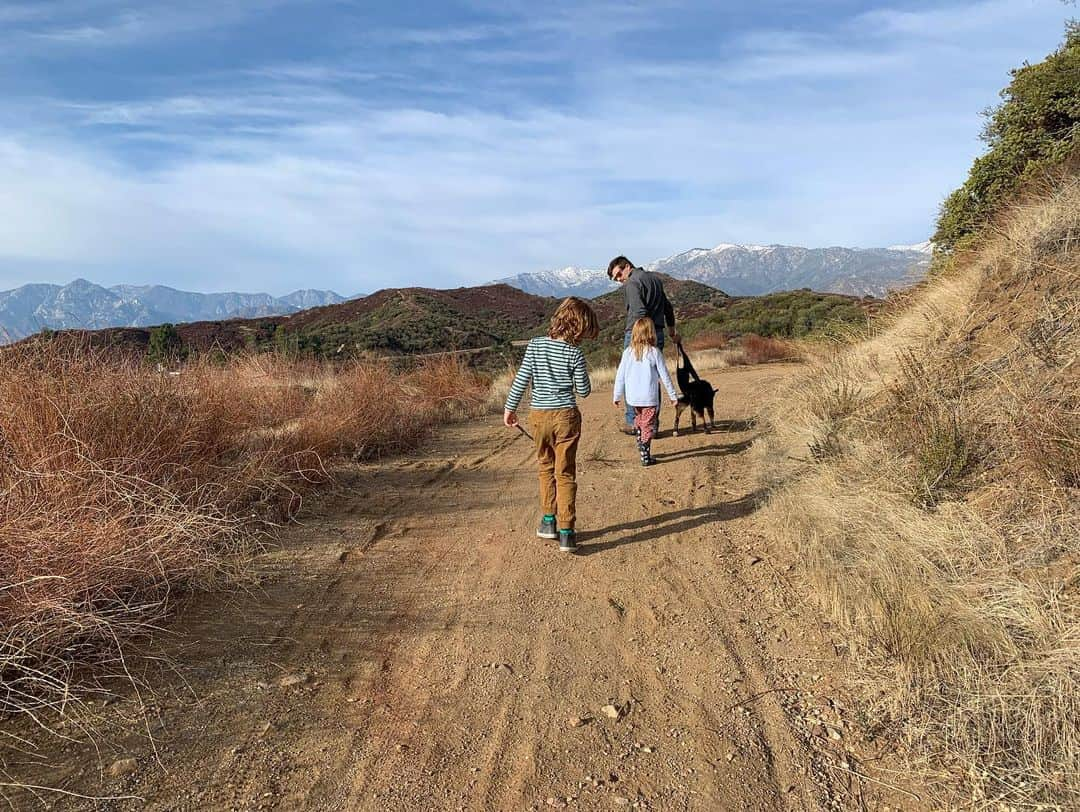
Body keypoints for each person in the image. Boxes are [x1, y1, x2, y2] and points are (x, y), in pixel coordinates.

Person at [503, 297, 599, 554]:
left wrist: (509, 409)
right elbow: (584, 391)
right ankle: (567, 532)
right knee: (565, 472)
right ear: (579, 327)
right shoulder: (575, 353)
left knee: (545, 467)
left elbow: (522, 379)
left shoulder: (535, 346)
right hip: (566, 416)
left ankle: (548, 522)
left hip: (539, 416)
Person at [607, 256, 680, 436]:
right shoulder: (654, 279)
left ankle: (635, 423)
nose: (619, 280)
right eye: (616, 278)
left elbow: (639, 312)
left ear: (627, 266)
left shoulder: (633, 282)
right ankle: (651, 425)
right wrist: (672, 330)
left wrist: (638, 337)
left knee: (632, 376)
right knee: (652, 378)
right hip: (658, 333)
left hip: (637, 334)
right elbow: (668, 307)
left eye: (618, 274)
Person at [613, 318, 679, 466]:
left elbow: (620, 376)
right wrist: (673, 396)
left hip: (633, 398)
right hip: (649, 398)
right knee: (648, 425)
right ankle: (645, 453)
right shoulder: (654, 352)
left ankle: (640, 440)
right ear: (651, 333)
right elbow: (665, 376)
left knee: (640, 420)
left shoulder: (627, 353)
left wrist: (617, 395)